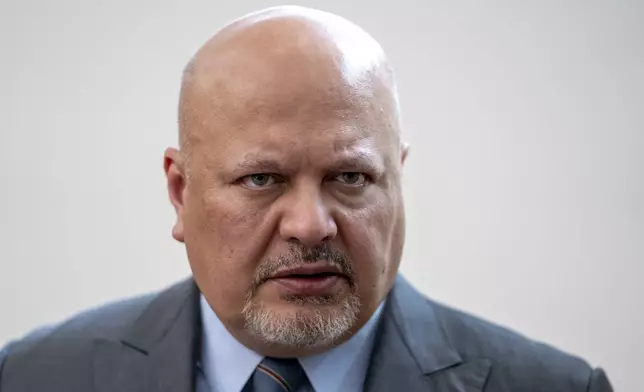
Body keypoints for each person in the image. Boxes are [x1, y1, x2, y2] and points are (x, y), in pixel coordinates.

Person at [0, 5, 613, 392]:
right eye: (261, 180)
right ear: (180, 192)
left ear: (397, 182)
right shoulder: (33, 378)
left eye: (350, 178)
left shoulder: (552, 386)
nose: (311, 224)